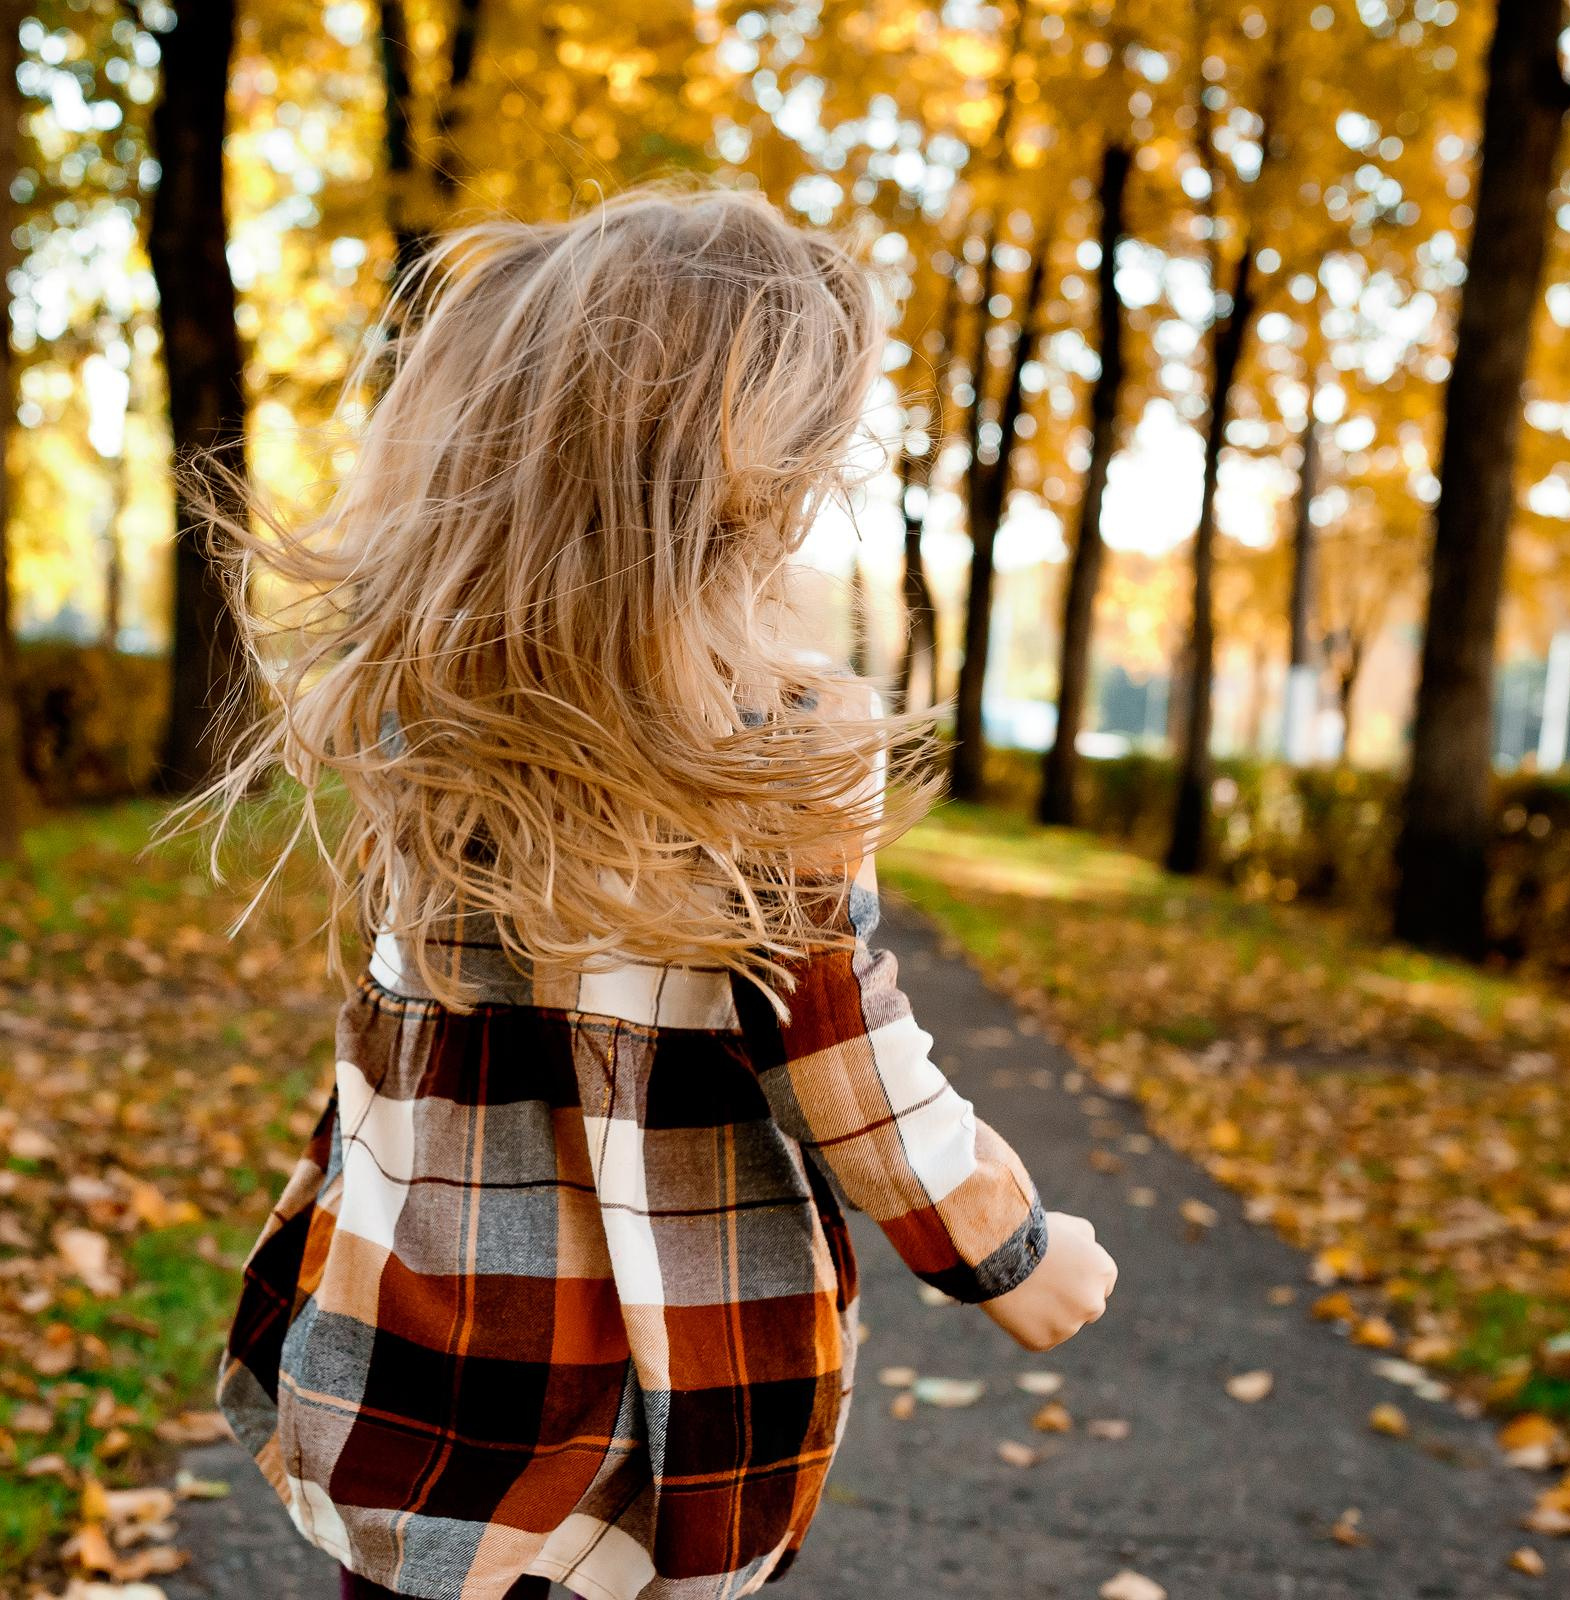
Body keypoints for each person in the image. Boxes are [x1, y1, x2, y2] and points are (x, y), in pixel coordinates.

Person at [196, 186, 1118, 1600]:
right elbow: (850, 1072)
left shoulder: (422, 709)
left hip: (411, 1344)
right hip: (652, 1371)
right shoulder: (778, 740)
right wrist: (1008, 1247)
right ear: (746, 481)